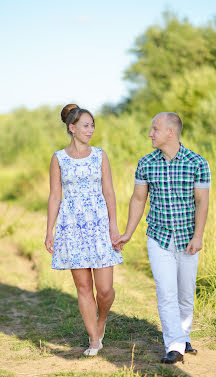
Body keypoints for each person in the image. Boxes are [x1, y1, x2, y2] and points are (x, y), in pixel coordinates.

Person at [114, 112, 211, 364]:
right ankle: (175, 345)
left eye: (154, 129)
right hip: (159, 237)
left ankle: (183, 336)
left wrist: (198, 236)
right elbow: (138, 199)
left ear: (171, 132)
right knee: (166, 291)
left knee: (185, 293)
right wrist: (128, 233)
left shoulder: (197, 163)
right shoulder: (146, 163)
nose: (150, 133)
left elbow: (202, 202)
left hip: (188, 238)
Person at [45, 104, 123, 356]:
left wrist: (113, 225)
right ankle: (92, 339)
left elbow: (109, 191)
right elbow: (55, 196)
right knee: (83, 288)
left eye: (92, 125)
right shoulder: (59, 158)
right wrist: (50, 231)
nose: (90, 130)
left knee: (105, 290)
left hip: (99, 225)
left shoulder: (100, 155)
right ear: (72, 128)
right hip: (71, 227)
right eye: (86, 125)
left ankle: (101, 322)